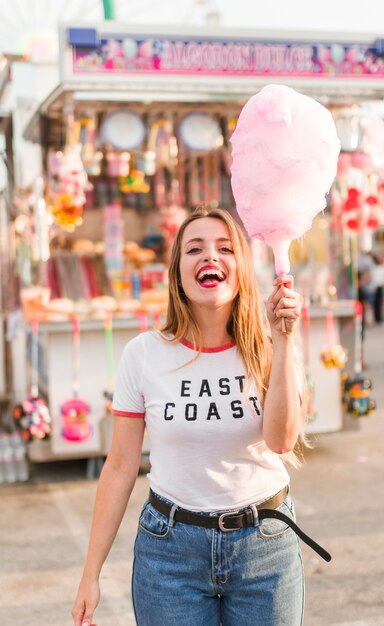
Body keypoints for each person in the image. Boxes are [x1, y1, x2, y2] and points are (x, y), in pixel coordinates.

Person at [72, 206, 329, 626]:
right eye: (195, 249)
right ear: (177, 273)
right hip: (169, 553)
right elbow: (119, 466)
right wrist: (90, 574)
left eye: (224, 248)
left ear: (241, 269)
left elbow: (283, 441)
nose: (210, 257)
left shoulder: (272, 345)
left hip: (265, 545)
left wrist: (283, 341)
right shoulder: (143, 354)